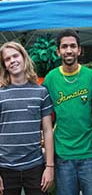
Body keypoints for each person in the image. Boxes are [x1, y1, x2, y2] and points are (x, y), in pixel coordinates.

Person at [42, 29, 92, 195]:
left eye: (73, 46)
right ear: (58, 51)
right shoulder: (50, 79)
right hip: (62, 154)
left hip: (89, 153)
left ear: (79, 50)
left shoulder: (91, 77)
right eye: (64, 47)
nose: (69, 50)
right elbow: (42, 111)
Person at [0, 41, 54, 195]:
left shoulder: (41, 92)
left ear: (24, 57)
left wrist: (49, 167)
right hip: (5, 168)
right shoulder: (0, 94)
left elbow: (48, 131)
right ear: (4, 65)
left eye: (15, 56)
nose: (12, 61)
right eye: (7, 59)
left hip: (35, 166)